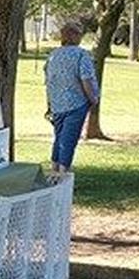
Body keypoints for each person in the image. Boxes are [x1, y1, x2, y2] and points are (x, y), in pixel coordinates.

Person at [42, 19, 99, 174]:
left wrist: (49, 104)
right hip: (76, 104)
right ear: (74, 36)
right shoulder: (81, 55)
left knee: (59, 138)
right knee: (69, 139)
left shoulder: (53, 56)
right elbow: (85, 79)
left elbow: (49, 82)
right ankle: (63, 172)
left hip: (57, 105)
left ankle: (54, 170)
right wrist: (93, 98)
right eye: (79, 33)